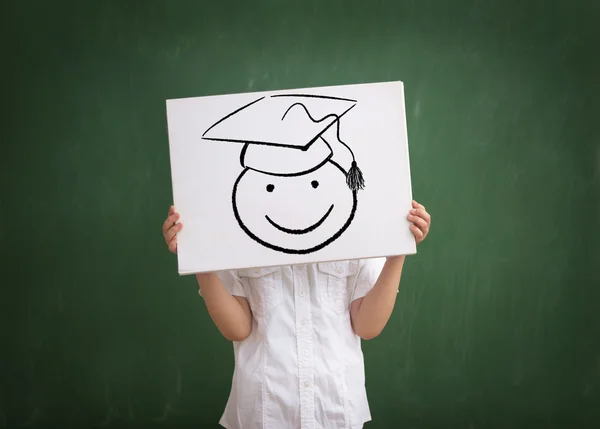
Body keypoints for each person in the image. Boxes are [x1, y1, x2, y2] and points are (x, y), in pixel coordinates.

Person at [162, 200, 431, 429]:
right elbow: (238, 328)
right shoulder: (236, 222)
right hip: (264, 410)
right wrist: (199, 261)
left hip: (336, 408)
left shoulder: (358, 217)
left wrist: (397, 254)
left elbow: (367, 325)